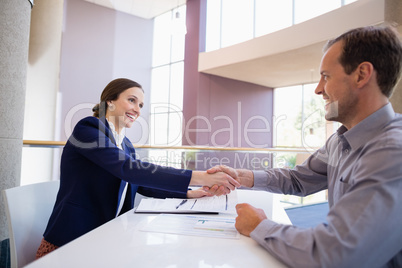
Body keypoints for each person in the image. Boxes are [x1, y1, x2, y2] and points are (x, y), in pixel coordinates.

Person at [207, 26, 402, 267]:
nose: (318, 89)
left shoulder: (392, 151)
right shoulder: (341, 140)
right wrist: (243, 177)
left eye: (326, 76)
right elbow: (299, 179)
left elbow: (335, 254)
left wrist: (259, 226)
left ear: (362, 75)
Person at [36, 78, 240, 258]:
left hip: (106, 237)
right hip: (71, 240)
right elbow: (129, 169)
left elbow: (140, 183)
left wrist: (189, 193)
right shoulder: (88, 129)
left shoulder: (125, 145)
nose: (137, 109)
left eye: (141, 104)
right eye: (132, 100)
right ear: (110, 101)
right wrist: (201, 177)